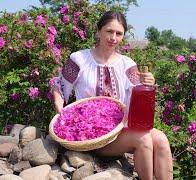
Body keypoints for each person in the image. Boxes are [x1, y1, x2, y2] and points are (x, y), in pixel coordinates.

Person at [51, 10, 173, 180]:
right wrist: (59, 106)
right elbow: (58, 85)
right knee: (144, 139)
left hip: (120, 130)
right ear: (98, 31)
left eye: (119, 33)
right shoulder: (79, 59)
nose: (113, 38)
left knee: (161, 139)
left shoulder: (127, 64)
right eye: (109, 31)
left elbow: (140, 96)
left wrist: (148, 84)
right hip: (91, 136)